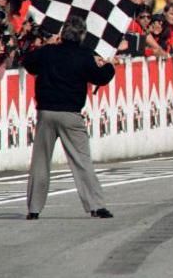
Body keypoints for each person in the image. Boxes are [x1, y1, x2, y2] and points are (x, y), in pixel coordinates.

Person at [22, 16, 115, 220]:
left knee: (40, 161)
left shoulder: (48, 52)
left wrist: (46, 45)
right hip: (71, 114)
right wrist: (108, 65)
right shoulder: (84, 56)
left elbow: (28, 63)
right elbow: (101, 78)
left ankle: (34, 209)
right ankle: (96, 206)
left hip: (46, 112)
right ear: (81, 35)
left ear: (62, 34)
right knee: (81, 161)